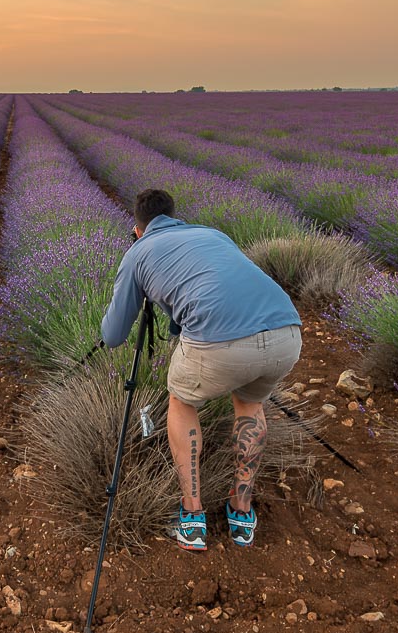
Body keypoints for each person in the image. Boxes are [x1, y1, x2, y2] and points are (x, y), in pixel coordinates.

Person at [100, 189, 302, 551]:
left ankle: (193, 516)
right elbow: (218, 286)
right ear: (175, 216)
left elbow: (114, 335)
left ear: (137, 228)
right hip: (287, 332)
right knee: (251, 405)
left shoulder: (138, 251)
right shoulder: (212, 233)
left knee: (181, 401)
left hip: (220, 345)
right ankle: (241, 513)